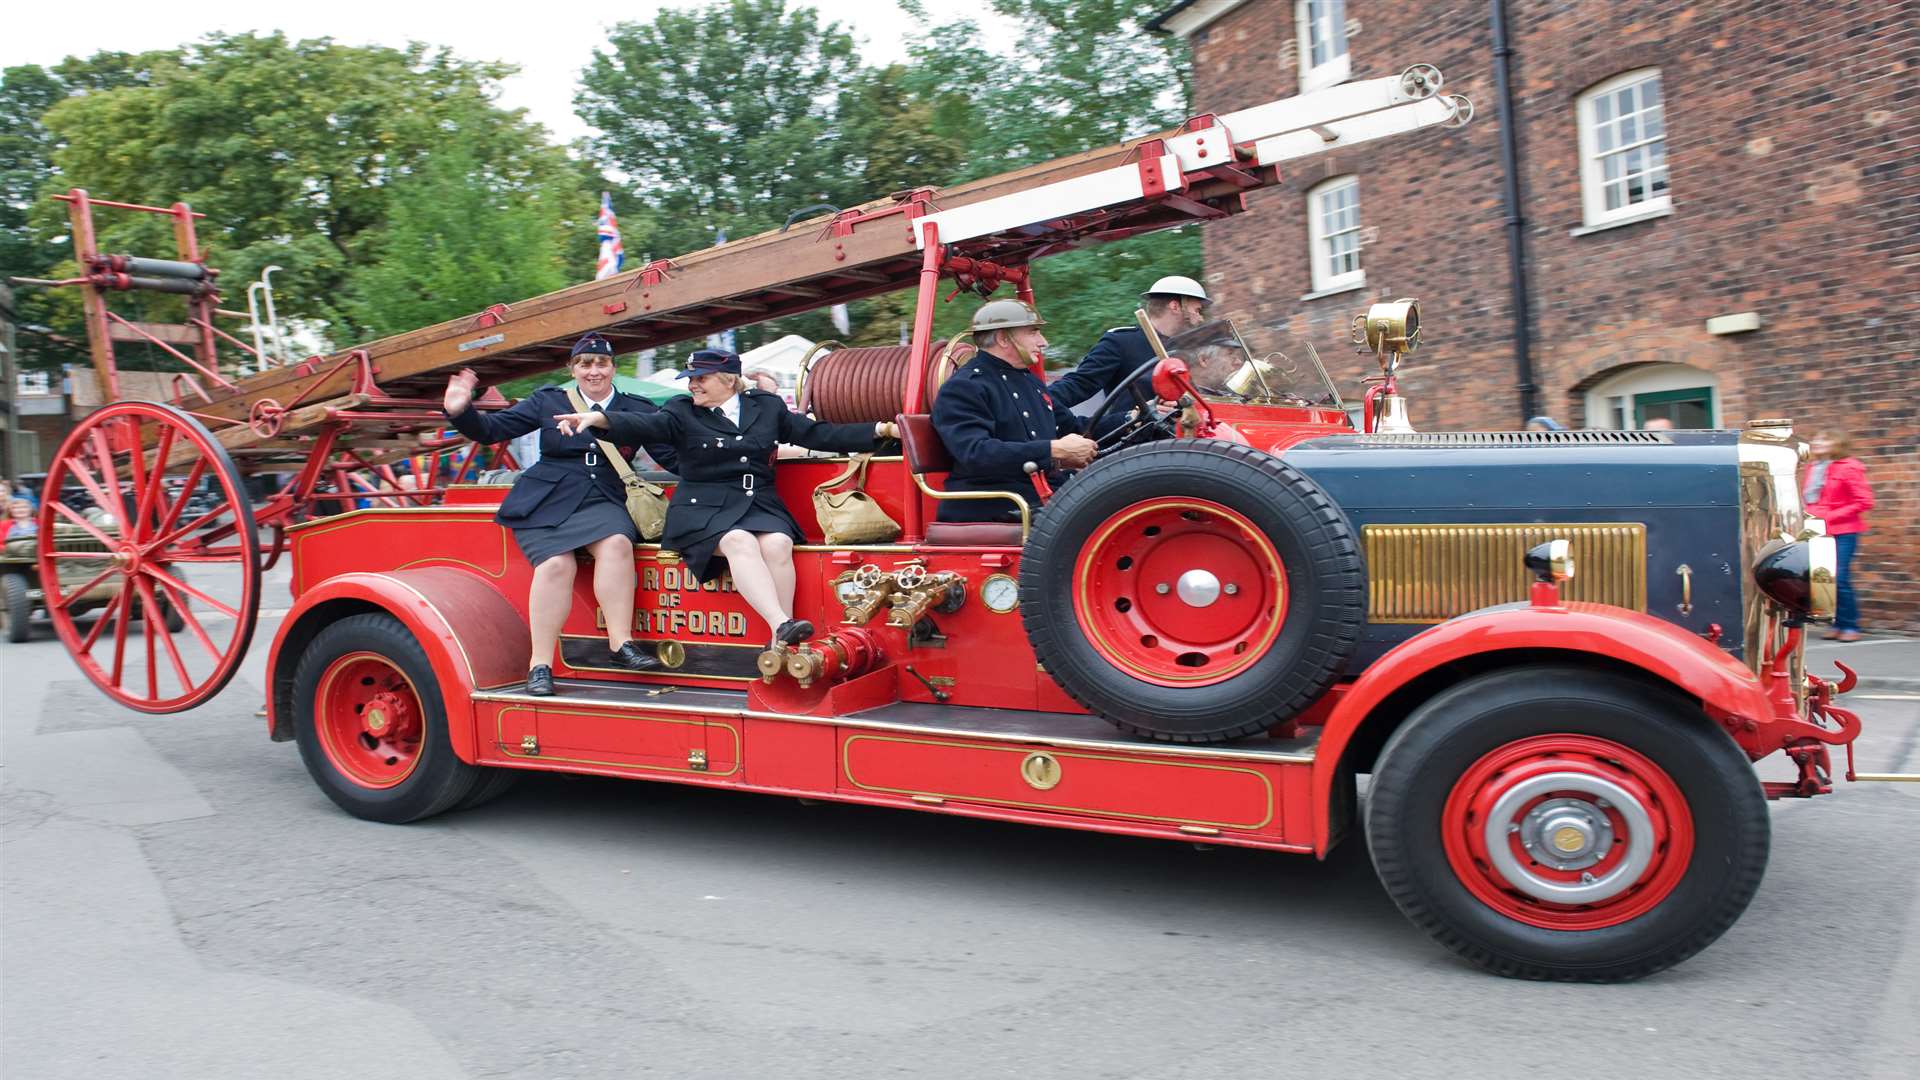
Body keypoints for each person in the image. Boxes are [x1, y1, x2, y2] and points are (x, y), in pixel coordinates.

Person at [555, 348, 895, 648]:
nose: (693, 386)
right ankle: (782, 626)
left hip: (757, 500)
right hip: (702, 507)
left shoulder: (766, 407)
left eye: (701, 378)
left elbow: (817, 433)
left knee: (777, 543)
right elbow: (644, 425)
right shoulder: (681, 411)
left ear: (729, 380)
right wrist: (598, 418)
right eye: (690, 379)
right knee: (739, 542)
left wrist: (878, 431)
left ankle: (782, 642)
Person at [443, 333, 682, 695]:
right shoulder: (548, 400)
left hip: (603, 495)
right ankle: (540, 665)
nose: (594, 371)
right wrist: (461, 411)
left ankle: (622, 644)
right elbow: (494, 431)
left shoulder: (637, 407)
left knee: (618, 543)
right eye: (585, 364)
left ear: (613, 368)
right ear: (573, 369)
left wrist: (723, 458)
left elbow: (672, 458)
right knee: (556, 565)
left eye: (601, 363)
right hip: (547, 496)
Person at [930, 299, 1097, 523]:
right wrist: (1053, 450)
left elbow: (1075, 427)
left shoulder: (1031, 383)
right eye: (1033, 332)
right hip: (993, 503)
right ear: (1003, 338)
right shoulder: (965, 386)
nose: (1043, 342)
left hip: (1038, 496)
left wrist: (1133, 418)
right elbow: (976, 453)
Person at [1047, 275, 1212, 411]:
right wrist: (1036, 404)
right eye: (1197, 310)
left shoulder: (1184, 350)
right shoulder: (1121, 342)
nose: (1200, 318)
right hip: (1135, 443)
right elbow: (1080, 384)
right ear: (1175, 306)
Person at [1805, 431, 1875, 642]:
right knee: (1823, 579)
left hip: (1844, 530)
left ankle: (1850, 625)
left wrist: (1829, 516)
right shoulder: (1813, 467)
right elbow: (1811, 500)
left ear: (1838, 443)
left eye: (1824, 439)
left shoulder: (1850, 467)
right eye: (1816, 438)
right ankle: (1836, 624)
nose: (1817, 442)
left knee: (1841, 577)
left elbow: (1864, 501)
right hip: (1817, 529)